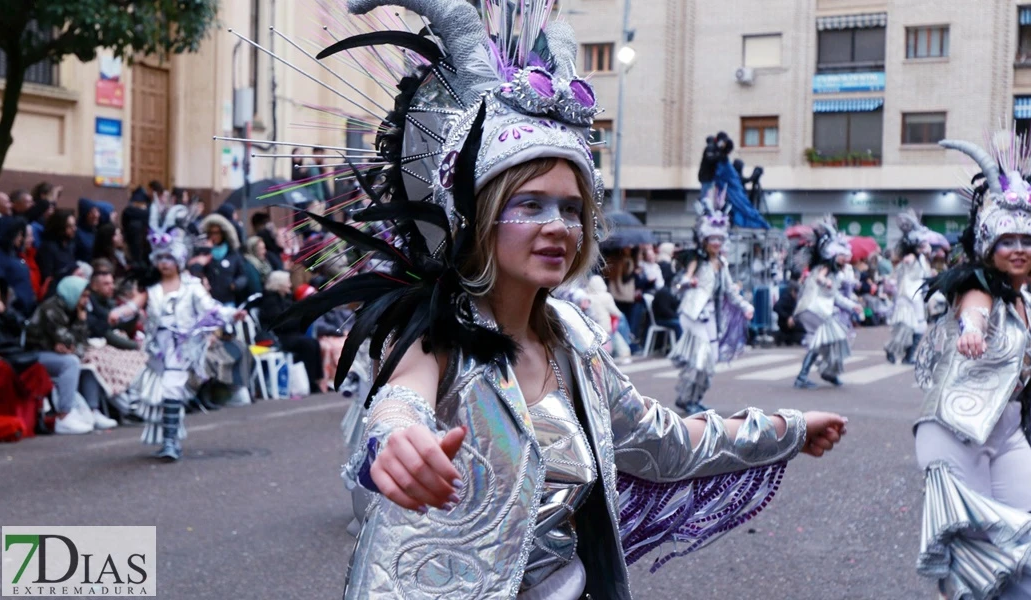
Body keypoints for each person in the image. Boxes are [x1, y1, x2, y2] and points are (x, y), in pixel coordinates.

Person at [276, 4, 847, 598]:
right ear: (477, 218)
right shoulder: (438, 333)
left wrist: (787, 428)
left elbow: (663, 441)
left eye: (571, 208)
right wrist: (395, 444)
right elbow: (399, 403)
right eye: (529, 205)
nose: (558, 227)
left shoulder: (572, 340)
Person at [914, 133, 1031, 599]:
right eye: (1007, 240)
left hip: (1007, 433)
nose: (1019, 249)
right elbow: (974, 309)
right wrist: (971, 329)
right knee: (976, 549)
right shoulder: (979, 286)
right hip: (958, 431)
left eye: (1027, 241)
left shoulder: (1029, 302)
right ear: (989, 244)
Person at [132, 216, 245, 460]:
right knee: (158, 395)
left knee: (172, 389)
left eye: (169, 258)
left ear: (180, 261)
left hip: (183, 348)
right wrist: (117, 313)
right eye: (160, 258)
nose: (164, 263)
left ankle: (171, 442)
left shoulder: (192, 286)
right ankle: (168, 439)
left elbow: (211, 308)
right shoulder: (151, 289)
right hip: (156, 350)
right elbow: (133, 306)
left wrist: (232, 314)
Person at [669, 187, 753, 414]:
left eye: (719, 238)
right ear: (704, 239)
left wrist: (745, 306)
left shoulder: (722, 265)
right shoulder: (697, 260)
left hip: (712, 317)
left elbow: (729, 291)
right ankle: (685, 398)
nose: (716, 242)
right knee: (700, 359)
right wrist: (688, 283)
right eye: (712, 238)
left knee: (711, 361)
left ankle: (694, 398)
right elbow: (679, 283)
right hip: (694, 313)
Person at [24, 276, 115, 432]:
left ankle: (92, 410)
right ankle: (64, 415)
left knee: (90, 359)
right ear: (73, 293)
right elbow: (68, 341)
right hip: (35, 354)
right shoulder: (51, 309)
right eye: (84, 296)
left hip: (53, 352)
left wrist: (74, 343)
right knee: (70, 362)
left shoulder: (73, 308)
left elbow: (80, 344)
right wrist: (79, 325)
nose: (86, 301)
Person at [791, 217, 863, 388]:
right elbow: (819, 279)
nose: (846, 259)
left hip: (818, 309)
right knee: (831, 338)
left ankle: (827, 372)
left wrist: (853, 305)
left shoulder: (835, 272)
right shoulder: (826, 268)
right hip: (815, 309)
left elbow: (835, 297)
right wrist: (825, 281)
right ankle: (808, 376)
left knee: (833, 340)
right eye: (842, 255)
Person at [258, 270, 325, 394]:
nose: (290, 284)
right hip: (278, 337)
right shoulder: (270, 301)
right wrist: (299, 320)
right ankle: (309, 381)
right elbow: (279, 323)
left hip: (291, 333)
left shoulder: (286, 298)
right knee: (308, 344)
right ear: (280, 284)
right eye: (288, 282)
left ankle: (316, 380)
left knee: (314, 343)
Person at [885, 211, 932, 364]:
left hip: (917, 297)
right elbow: (901, 261)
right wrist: (908, 256)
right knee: (906, 328)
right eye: (922, 244)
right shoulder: (911, 258)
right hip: (907, 297)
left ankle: (907, 356)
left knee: (920, 328)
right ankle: (893, 350)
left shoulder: (922, 259)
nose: (925, 246)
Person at [194, 213, 248, 305]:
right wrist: (206, 251)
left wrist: (235, 285)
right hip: (207, 301)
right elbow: (195, 271)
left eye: (216, 233)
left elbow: (243, 275)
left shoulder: (233, 253)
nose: (213, 236)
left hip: (227, 300)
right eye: (210, 233)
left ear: (223, 234)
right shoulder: (203, 253)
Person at [35, 209, 78, 293]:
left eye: (74, 225)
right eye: (70, 226)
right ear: (59, 228)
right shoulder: (47, 248)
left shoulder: (70, 245)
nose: (74, 229)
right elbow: (48, 278)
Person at [773, 281, 804, 346]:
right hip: (784, 322)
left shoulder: (794, 300)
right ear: (793, 291)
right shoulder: (786, 298)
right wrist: (787, 317)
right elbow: (776, 307)